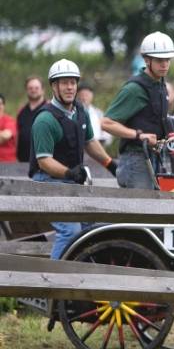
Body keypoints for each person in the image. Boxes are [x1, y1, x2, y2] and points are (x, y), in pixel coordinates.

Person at [30, 59, 116, 259]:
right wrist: (69, 173)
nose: (70, 87)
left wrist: (110, 164)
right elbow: (44, 161)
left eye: (73, 82)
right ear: (54, 86)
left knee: (90, 230)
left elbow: (89, 142)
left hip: (72, 181)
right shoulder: (45, 120)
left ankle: (81, 273)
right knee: (70, 232)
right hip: (47, 182)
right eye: (64, 83)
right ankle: (54, 277)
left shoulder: (80, 111)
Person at [102, 31, 174, 189]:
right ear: (147, 60)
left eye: (167, 59)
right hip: (135, 161)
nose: (164, 64)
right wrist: (138, 135)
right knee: (142, 205)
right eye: (159, 60)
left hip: (154, 158)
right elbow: (106, 123)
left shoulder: (161, 85)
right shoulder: (135, 89)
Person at [16, 76, 46, 162]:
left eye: (36, 88)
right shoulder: (21, 110)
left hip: (43, 161)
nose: (33, 90)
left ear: (43, 90)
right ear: (26, 90)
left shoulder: (50, 109)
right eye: (30, 88)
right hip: (22, 161)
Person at [0, 95, 17, 162]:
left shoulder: (9, 120)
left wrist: (3, 136)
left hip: (7, 163)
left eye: (0, 104)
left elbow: (6, 136)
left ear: (3, 106)